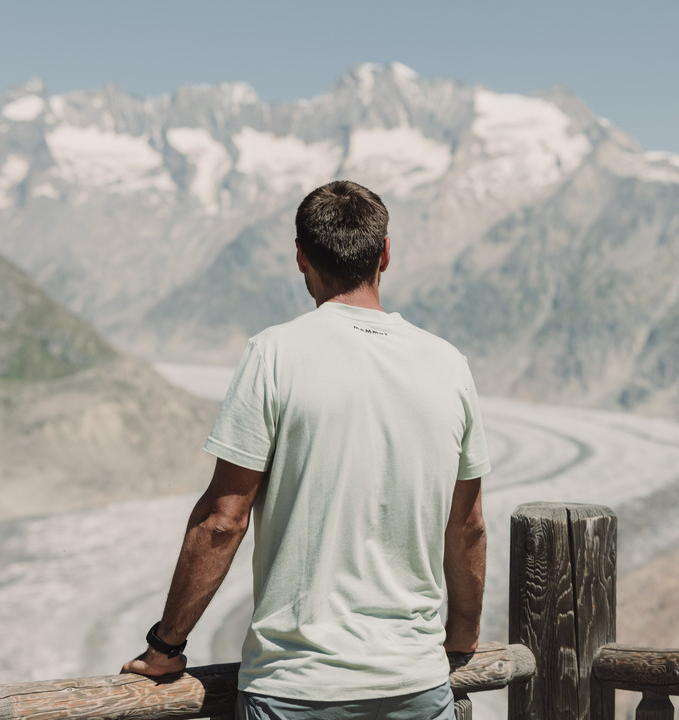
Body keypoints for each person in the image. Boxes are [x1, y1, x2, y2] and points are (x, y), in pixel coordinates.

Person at [122, 180, 491, 719]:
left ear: (301, 257)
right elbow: (469, 526)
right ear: (385, 253)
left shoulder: (274, 354)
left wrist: (166, 645)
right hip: (415, 685)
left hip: (297, 689)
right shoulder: (448, 363)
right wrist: (460, 638)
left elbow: (223, 520)